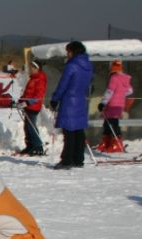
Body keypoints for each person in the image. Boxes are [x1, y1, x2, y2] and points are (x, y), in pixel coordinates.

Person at [50, 41, 93, 170]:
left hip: (69, 101)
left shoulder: (71, 65)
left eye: (68, 51)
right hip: (81, 100)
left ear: (73, 51)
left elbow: (63, 84)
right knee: (79, 131)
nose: (67, 54)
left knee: (68, 132)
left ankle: (67, 160)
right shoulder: (89, 65)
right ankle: (78, 159)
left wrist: (55, 98)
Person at [96, 60, 133, 153]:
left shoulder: (114, 78)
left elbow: (109, 92)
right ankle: (109, 143)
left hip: (111, 104)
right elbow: (130, 91)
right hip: (119, 105)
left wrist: (103, 103)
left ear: (112, 69)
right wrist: (120, 94)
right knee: (112, 123)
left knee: (110, 124)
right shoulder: (125, 78)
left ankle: (115, 144)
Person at [17, 61, 47, 156]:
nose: (30, 69)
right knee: (27, 127)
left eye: (32, 68)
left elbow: (38, 96)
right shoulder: (33, 78)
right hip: (27, 106)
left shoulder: (40, 79)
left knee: (31, 126)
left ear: (37, 68)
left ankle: (38, 146)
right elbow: (27, 92)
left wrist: (27, 102)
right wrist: (20, 100)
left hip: (33, 106)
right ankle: (30, 145)